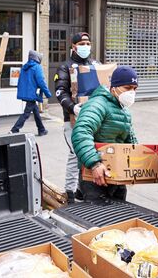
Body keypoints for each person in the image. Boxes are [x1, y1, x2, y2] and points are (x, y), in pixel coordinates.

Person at [71, 66, 139, 202]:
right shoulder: (97, 105)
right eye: (127, 88)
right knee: (97, 218)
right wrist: (94, 164)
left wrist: (135, 164)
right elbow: (81, 133)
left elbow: (130, 141)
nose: (131, 92)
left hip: (116, 174)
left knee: (119, 216)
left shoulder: (123, 110)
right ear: (114, 87)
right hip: (95, 176)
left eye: (134, 88)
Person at [54, 32, 100, 203]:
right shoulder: (65, 67)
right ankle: (70, 192)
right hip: (73, 119)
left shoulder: (96, 65)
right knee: (75, 153)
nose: (85, 46)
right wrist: (73, 107)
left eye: (88, 43)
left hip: (94, 118)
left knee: (90, 152)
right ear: (73, 46)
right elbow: (60, 92)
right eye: (81, 43)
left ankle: (83, 189)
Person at [10, 50, 52, 136]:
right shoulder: (37, 67)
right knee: (26, 113)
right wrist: (48, 93)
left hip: (27, 93)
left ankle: (41, 129)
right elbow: (41, 82)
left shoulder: (25, 67)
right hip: (32, 94)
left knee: (36, 111)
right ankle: (14, 129)